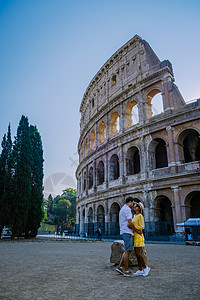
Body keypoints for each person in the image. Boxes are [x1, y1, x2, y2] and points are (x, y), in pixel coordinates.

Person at [116, 197, 142, 277]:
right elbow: (130, 223)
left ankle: (120, 267)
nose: (133, 205)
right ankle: (126, 271)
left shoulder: (123, 208)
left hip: (124, 231)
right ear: (130, 202)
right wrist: (137, 230)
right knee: (127, 251)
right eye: (132, 203)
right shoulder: (127, 210)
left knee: (127, 251)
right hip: (127, 232)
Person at [130, 201, 150, 277]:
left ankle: (145, 267)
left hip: (138, 235)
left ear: (139, 208)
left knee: (138, 253)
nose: (134, 207)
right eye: (134, 206)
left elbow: (142, 226)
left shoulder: (140, 216)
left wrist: (133, 228)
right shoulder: (135, 215)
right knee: (136, 253)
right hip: (135, 234)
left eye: (136, 206)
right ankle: (140, 269)